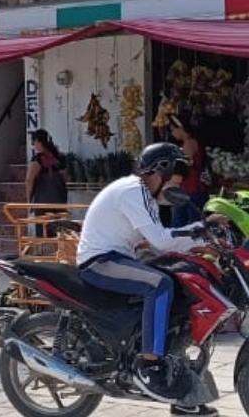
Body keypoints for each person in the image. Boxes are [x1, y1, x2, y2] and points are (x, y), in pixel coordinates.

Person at [76, 142, 224, 409]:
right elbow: (161, 240)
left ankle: (180, 389)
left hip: (120, 257)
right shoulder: (133, 191)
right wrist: (201, 229)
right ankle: (149, 363)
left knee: (176, 278)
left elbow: (157, 240)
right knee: (160, 284)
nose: (181, 181)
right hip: (99, 261)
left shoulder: (143, 196)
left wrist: (198, 241)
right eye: (178, 171)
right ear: (162, 169)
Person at [169, 114, 213, 228]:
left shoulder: (189, 143)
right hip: (192, 188)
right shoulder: (192, 141)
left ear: (181, 128)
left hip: (192, 189)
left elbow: (183, 166)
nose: (172, 133)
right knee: (188, 222)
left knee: (188, 223)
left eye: (173, 130)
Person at [25, 129, 68, 237]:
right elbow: (67, 176)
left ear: (39, 142)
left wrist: (29, 200)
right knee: (59, 231)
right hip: (60, 200)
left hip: (42, 202)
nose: (33, 145)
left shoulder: (38, 159)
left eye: (34, 142)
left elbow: (29, 179)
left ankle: (45, 252)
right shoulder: (59, 157)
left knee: (43, 232)